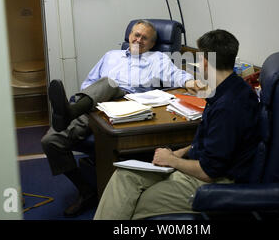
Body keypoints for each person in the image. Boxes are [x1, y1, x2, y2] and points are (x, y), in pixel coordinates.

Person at [93, 29, 260, 220]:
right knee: (125, 175)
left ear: (205, 62)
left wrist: (172, 161)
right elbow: (213, 141)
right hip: (197, 166)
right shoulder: (230, 89)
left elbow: (209, 172)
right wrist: (180, 152)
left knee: (133, 204)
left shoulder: (229, 106)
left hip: (214, 183)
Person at [41, 20, 202, 217]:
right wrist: (90, 100)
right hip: (95, 107)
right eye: (136, 35)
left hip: (130, 108)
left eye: (145, 38)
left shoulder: (158, 58)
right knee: (51, 141)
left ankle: (70, 111)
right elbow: (89, 83)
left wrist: (190, 80)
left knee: (109, 83)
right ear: (129, 36)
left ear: (152, 44)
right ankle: (86, 191)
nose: (138, 40)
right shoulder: (111, 56)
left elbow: (176, 74)